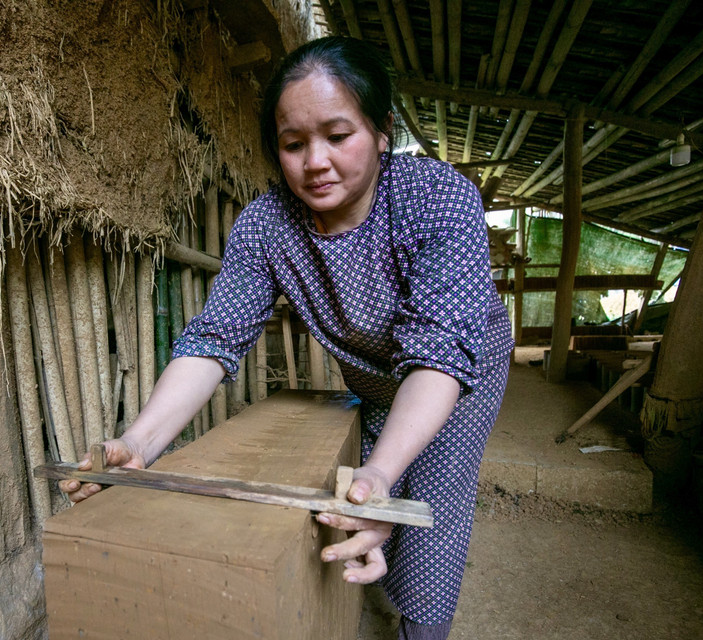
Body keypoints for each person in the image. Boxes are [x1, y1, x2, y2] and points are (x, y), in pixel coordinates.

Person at [60, 36, 514, 640]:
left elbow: (436, 356)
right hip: (372, 374)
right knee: (375, 491)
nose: (315, 161)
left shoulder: (438, 198)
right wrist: (141, 441)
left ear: (382, 130)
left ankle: (422, 629)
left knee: (433, 499)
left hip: (457, 371)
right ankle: (383, 562)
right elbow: (214, 339)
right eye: (293, 144)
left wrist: (379, 478)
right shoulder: (267, 224)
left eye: (338, 135)